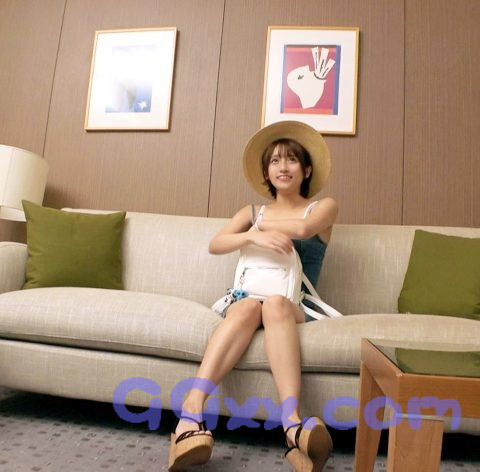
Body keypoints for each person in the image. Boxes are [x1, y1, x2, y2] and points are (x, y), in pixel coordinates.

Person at [168, 121, 338, 471]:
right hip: (249, 295)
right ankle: (191, 413)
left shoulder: (323, 208)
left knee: (274, 304)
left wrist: (259, 226)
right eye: (275, 161)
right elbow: (217, 244)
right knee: (247, 307)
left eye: (292, 160)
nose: (283, 167)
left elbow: (303, 228)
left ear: (306, 170)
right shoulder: (249, 214)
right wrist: (251, 236)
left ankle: (291, 422)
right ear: (266, 172)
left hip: (294, 302)